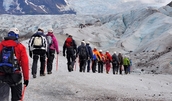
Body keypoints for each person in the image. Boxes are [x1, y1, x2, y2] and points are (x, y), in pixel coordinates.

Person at [0, 28, 29, 101]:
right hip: (15, 75)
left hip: (2, 75)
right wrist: (26, 78)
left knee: (3, 98)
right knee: (16, 98)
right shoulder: (20, 47)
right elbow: (25, 63)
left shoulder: (1, 45)